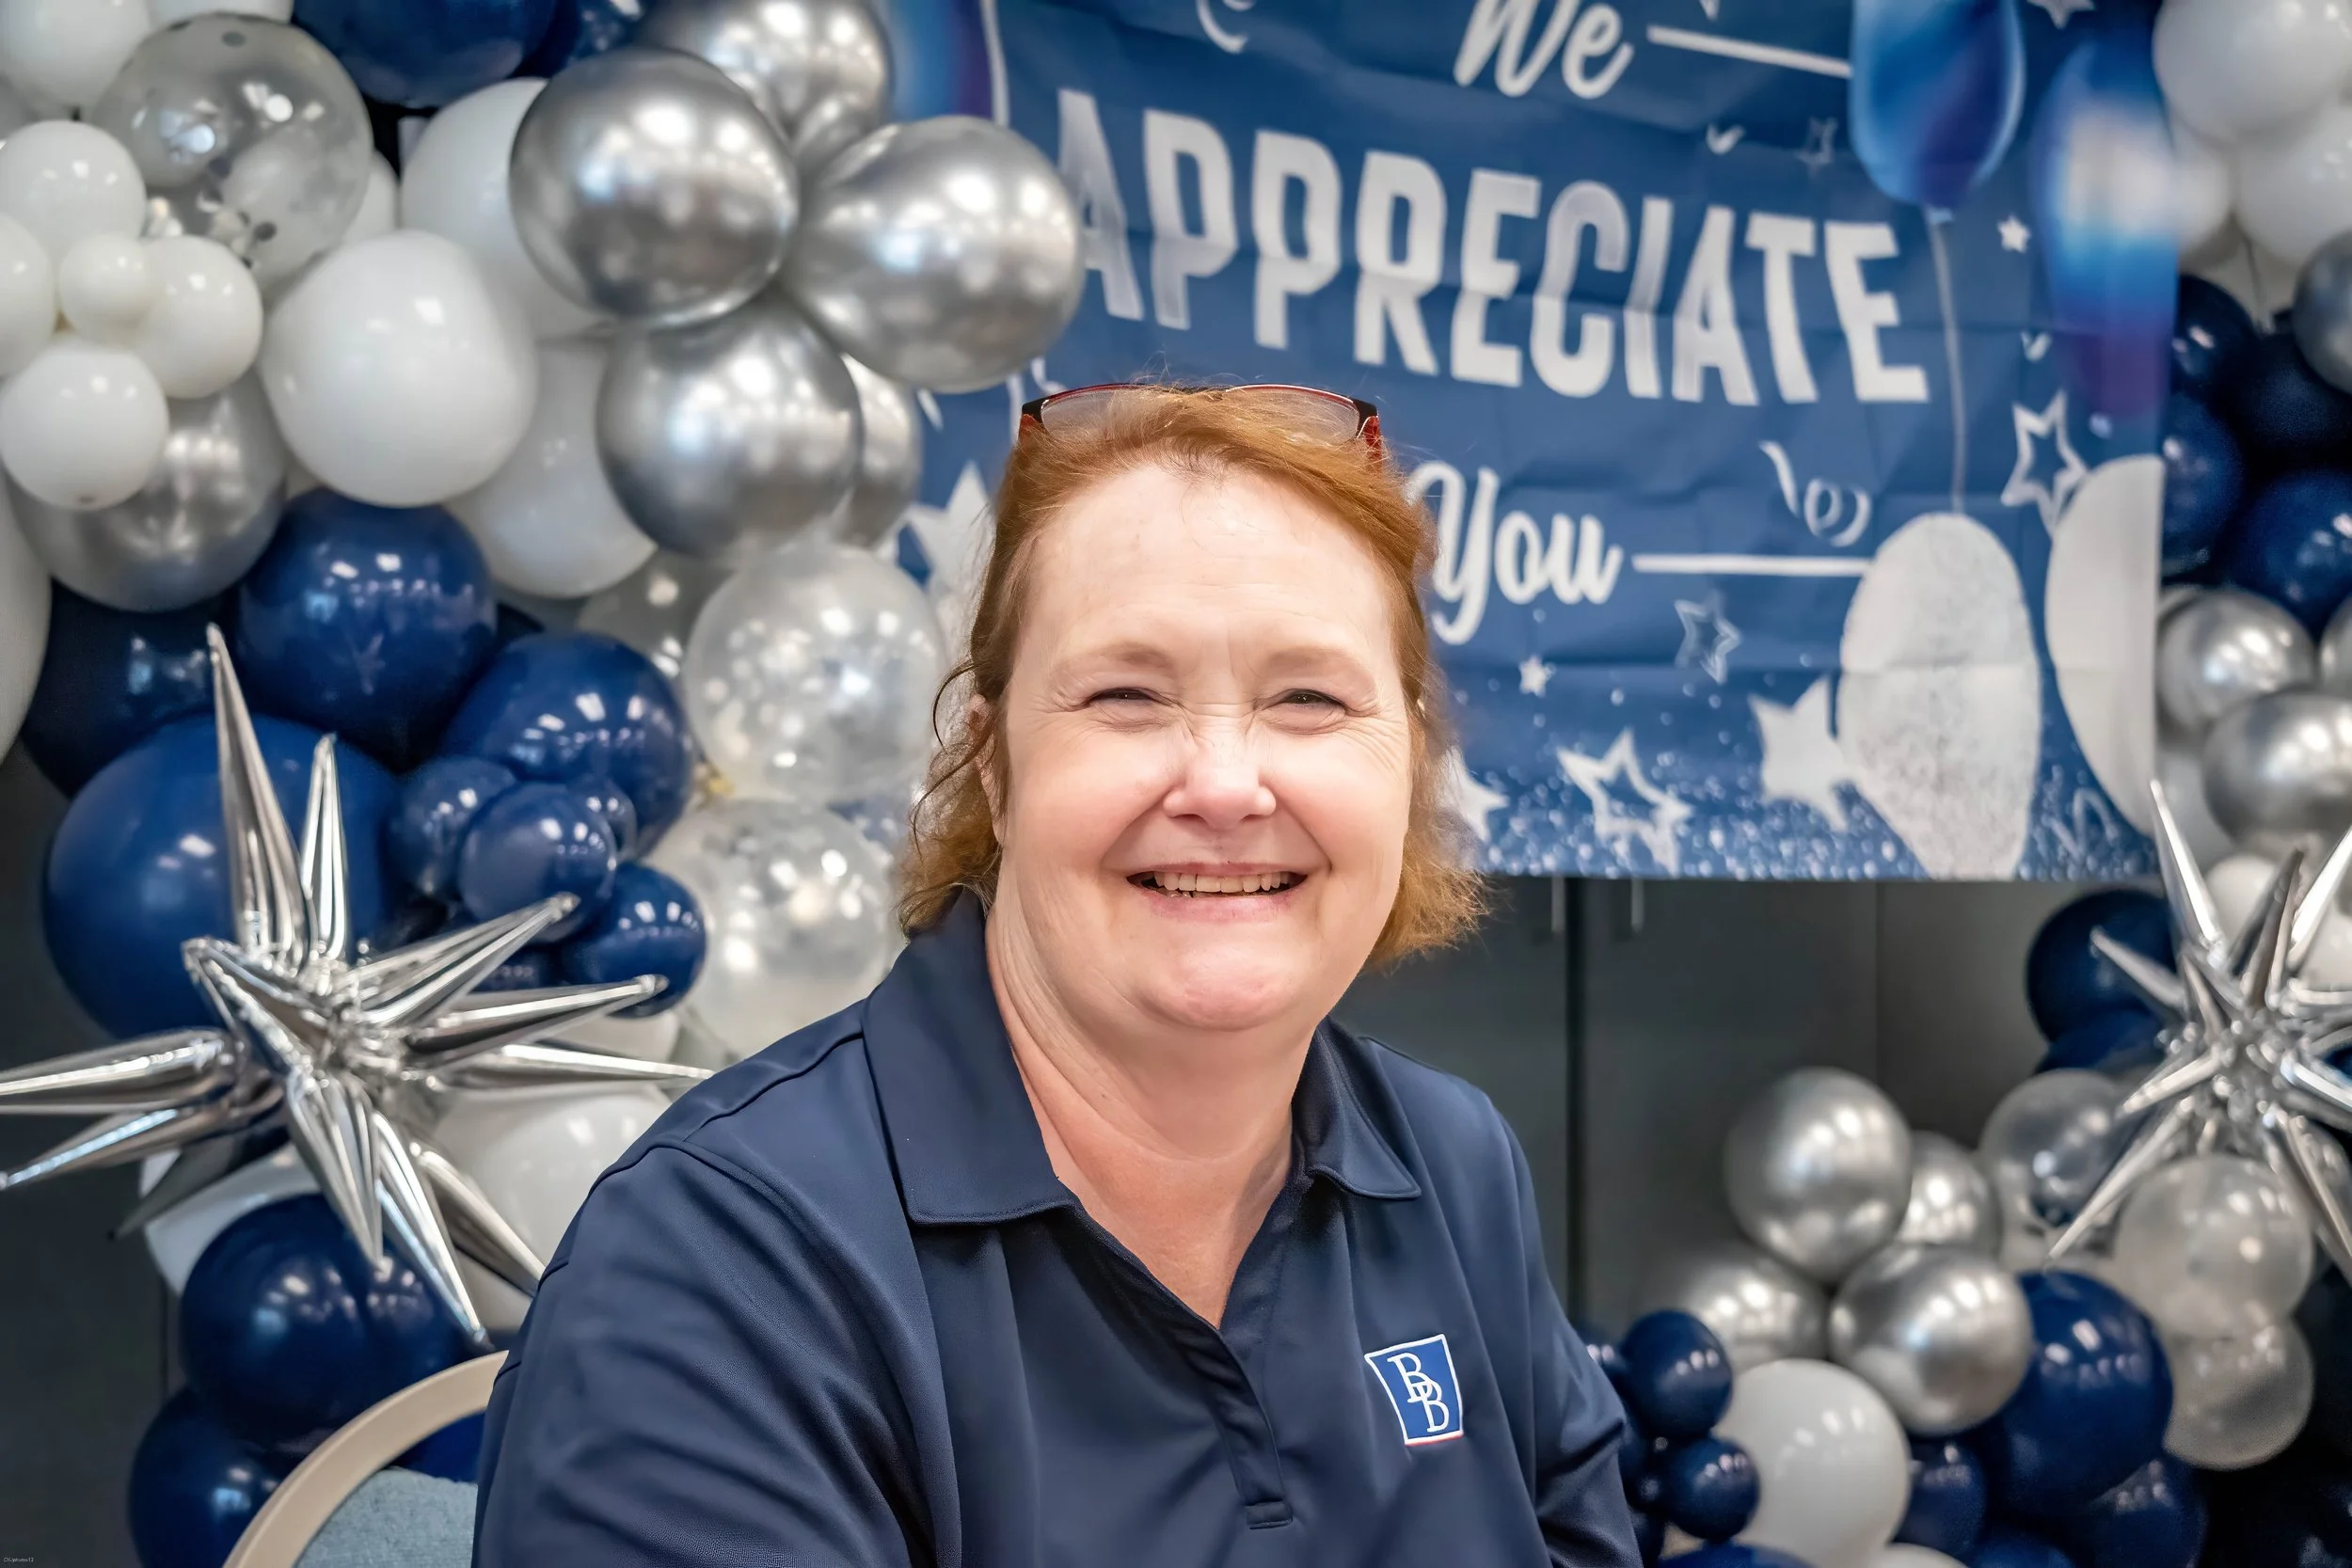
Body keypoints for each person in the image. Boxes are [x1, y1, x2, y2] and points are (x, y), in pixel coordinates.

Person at [473, 384, 1641, 1567]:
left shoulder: (1453, 1166)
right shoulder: (721, 1261)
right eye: (1126, 695)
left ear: (1409, 760)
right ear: (993, 765)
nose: (1224, 784)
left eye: (1310, 697)